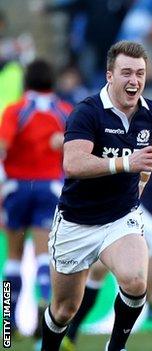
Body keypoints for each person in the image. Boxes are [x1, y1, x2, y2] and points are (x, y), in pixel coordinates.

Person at [40, 40, 152, 351]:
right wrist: (127, 163)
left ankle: (116, 346)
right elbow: (73, 164)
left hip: (120, 216)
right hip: (77, 221)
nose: (134, 81)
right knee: (63, 310)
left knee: (136, 282)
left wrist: (143, 177)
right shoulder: (87, 112)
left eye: (140, 73)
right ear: (110, 76)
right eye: (126, 73)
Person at [0, 59, 71, 342]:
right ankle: (45, 312)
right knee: (45, 256)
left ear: (26, 81)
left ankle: (7, 323)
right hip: (49, 187)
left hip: (16, 187)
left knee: (13, 257)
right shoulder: (64, 111)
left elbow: (3, 147)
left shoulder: (16, 110)